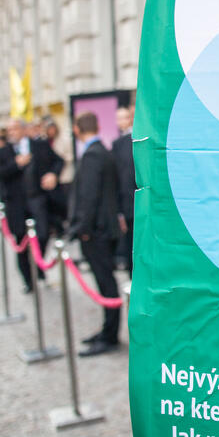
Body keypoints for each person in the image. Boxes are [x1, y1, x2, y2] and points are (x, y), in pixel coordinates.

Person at [68, 111, 122, 357]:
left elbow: (88, 198)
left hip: (96, 232)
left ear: (77, 129)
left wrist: (82, 229)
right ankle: (106, 330)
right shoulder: (103, 151)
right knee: (105, 282)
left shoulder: (92, 156)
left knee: (106, 283)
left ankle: (110, 335)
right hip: (103, 229)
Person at [0, 119, 42, 291]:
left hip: (36, 202)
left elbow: (55, 161)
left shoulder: (37, 145)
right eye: (9, 130)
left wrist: (52, 175)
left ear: (23, 130)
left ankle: (40, 267)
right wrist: (16, 164)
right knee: (21, 243)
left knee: (42, 236)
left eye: (14, 129)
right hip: (16, 206)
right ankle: (28, 280)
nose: (12, 132)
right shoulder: (3, 151)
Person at [23, 118, 66, 264]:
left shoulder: (40, 144)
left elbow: (59, 161)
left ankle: (38, 264)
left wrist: (53, 174)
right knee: (21, 237)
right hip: (18, 200)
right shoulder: (9, 148)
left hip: (38, 196)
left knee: (42, 232)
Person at [112, 106, 135, 276]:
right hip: (126, 202)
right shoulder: (117, 144)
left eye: (124, 117)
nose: (122, 121)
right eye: (119, 118)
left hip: (135, 200)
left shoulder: (133, 140)